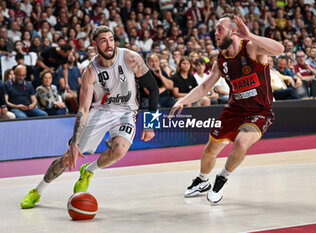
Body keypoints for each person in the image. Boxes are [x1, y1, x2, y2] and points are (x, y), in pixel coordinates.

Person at [20, 25, 159, 209]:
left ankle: (89, 171)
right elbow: (84, 109)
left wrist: (151, 124)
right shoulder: (90, 71)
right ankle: (37, 191)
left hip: (127, 111)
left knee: (119, 151)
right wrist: (74, 142)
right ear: (95, 44)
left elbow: (154, 88)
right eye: (103, 41)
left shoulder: (131, 58)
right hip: (101, 111)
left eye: (111, 39)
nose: (109, 44)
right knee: (68, 157)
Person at [169, 14, 284, 203]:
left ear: (233, 31)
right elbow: (205, 87)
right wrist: (183, 101)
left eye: (219, 29)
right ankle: (203, 180)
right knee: (210, 150)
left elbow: (279, 49)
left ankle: (222, 177)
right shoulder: (221, 61)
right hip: (234, 110)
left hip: (259, 111)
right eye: (215, 30)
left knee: (240, 143)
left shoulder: (251, 48)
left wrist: (250, 35)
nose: (215, 33)